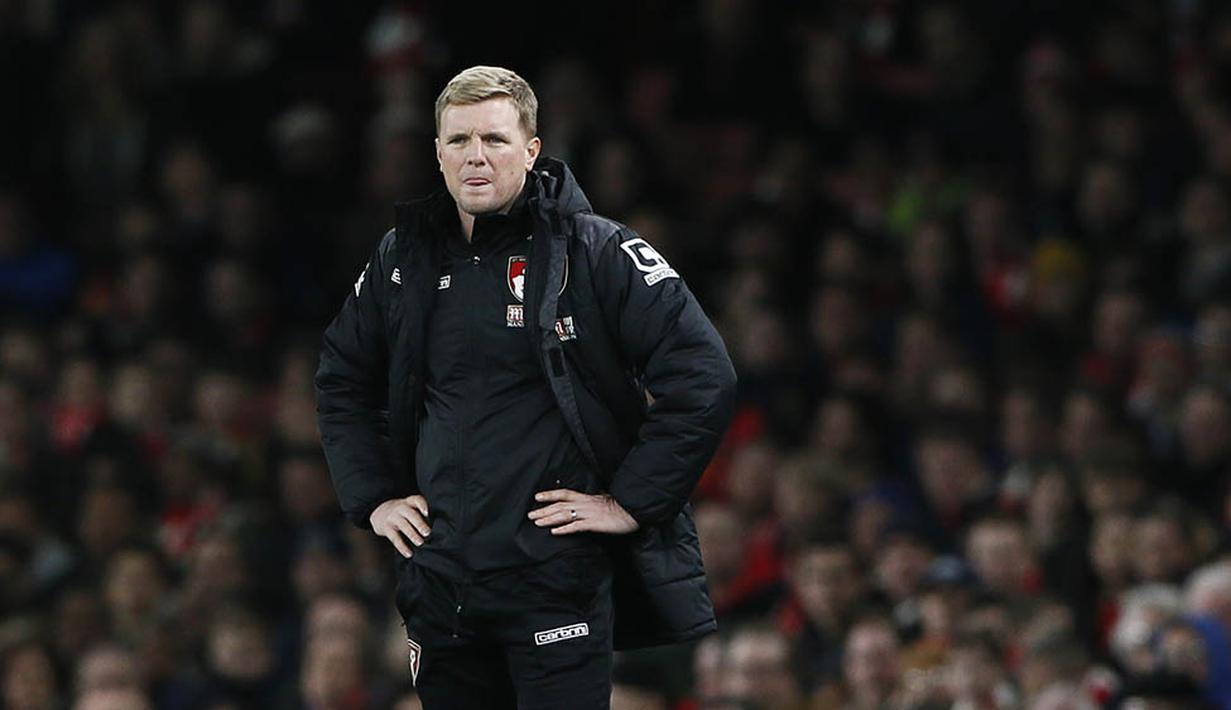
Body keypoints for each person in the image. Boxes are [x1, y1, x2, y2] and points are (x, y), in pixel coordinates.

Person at [315, 65, 737, 709]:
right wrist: (373, 497)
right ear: (436, 152)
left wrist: (629, 501)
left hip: (554, 579)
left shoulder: (596, 253)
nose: (475, 156)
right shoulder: (403, 260)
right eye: (458, 141)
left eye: (495, 139)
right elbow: (341, 376)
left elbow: (703, 375)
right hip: (440, 581)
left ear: (533, 149)